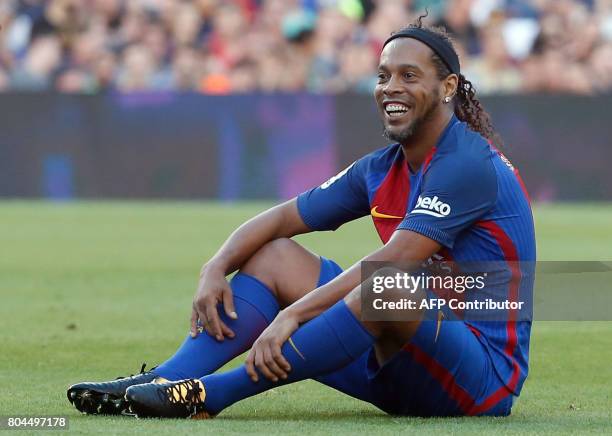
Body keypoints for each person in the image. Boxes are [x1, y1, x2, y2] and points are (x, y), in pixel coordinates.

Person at [67, 17, 535, 419]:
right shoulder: (381, 167)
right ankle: (162, 382)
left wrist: (292, 316)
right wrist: (215, 266)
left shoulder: (468, 164)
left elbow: (393, 263)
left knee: (385, 286)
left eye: (409, 76)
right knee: (272, 257)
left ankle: (209, 396)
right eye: (383, 75)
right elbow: (279, 219)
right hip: (397, 366)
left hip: (479, 381)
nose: (391, 87)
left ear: (447, 87)